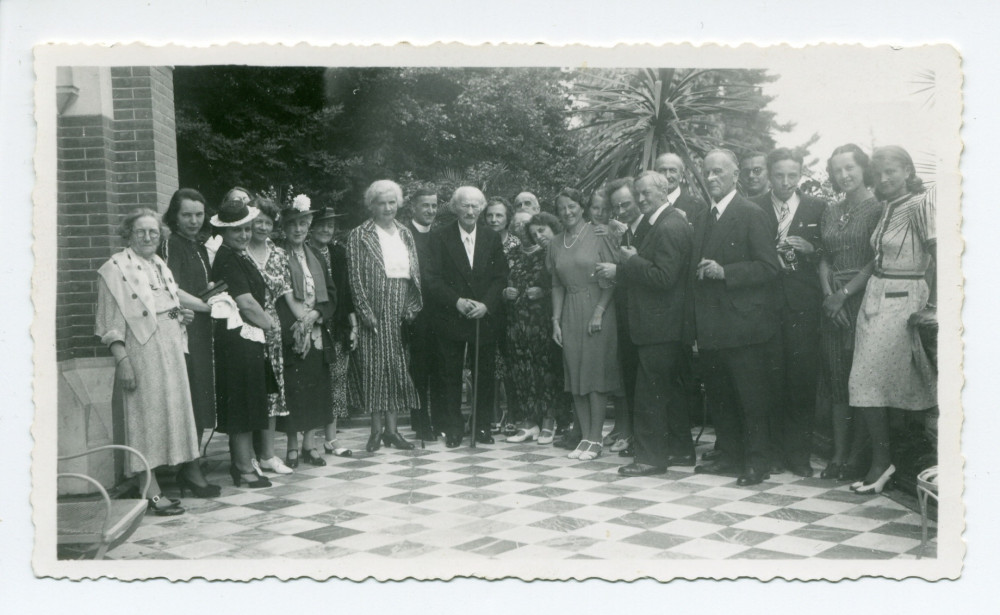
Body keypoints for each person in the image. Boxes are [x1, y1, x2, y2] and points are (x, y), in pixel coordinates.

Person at [96, 209, 201, 515]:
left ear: (161, 236)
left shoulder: (158, 265)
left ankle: (155, 483)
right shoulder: (114, 270)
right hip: (142, 353)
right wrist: (123, 361)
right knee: (144, 419)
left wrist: (181, 314)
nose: (147, 237)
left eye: (153, 232)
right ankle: (150, 492)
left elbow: (163, 304)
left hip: (169, 351)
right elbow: (109, 323)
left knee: (165, 416)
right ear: (128, 234)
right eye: (140, 232)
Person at [847, 145, 937, 494]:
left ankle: (892, 462)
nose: (884, 178)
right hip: (875, 298)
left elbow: (938, 253)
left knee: (894, 382)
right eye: (879, 173)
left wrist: (935, 306)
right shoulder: (886, 207)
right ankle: (884, 461)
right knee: (869, 382)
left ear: (907, 170)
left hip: (905, 299)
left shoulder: (921, 204)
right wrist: (850, 292)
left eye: (892, 171)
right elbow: (877, 258)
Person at [690, 149, 781, 486]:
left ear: (734, 176)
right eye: (707, 172)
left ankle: (758, 462)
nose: (711, 178)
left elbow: (769, 268)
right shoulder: (702, 216)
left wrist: (724, 271)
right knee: (721, 396)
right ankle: (729, 456)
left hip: (744, 327)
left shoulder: (750, 213)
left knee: (750, 397)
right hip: (712, 326)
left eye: (718, 172)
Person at [596, 173, 695, 476]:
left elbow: (665, 278)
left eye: (645, 194)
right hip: (662, 324)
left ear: (664, 191)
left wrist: (630, 261)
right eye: (637, 194)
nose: (640, 200)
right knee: (670, 391)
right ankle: (680, 452)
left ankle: (651, 459)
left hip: (659, 325)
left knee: (650, 393)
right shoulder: (663, 223)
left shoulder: (669, 225)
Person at [751, 148, 828, 477]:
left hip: (802, 307)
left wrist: (812, 249)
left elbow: (831, 250)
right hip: (764, 305)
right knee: (767, 380)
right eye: (779, 175)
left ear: (801, 176)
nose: (785, 182)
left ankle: (798, 455)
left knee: (800, 379)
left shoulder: (817, 207)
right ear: (768, 173)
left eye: (792, 176)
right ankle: (770, 454)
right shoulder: (753, 206)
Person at [424, 186, 509, 448]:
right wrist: (457, 301)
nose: (470, 211)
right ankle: (453, 428)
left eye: (475, 206)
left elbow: (500, 277)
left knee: (483, 373)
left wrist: (487, 304)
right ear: (455, 208)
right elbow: (431, 278)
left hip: (483, 316)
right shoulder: (439, 237)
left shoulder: (491, 238)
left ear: (481, 208)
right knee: (449, 374)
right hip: (451, 315)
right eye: (465, 206)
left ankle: (481, 426)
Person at [818, 144, 884, 481]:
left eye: (850, 168)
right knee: (836, 380)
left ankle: (858, 458)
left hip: (862, 300)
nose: (843, 175)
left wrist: (844, 294)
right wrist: (830, 297)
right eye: (837, 170)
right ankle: (838, 455)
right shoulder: (831, 210)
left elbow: (877, 260)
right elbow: (824, 257)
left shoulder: (878, 208)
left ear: (863, 169)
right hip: (833, 305)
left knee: (861, 381)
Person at [347, 180, 423, 452]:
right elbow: (354, 277)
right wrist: (366, 312)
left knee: (396, 367)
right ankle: (376, 430)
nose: (388, 207)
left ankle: (393, 431)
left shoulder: (405, 233)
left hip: (400, 309)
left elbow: (414, 273)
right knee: (374, 369)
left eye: (392, 202)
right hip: (374, 310)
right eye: (381, 203)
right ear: (372, 205)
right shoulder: (360, 234)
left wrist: (412, 308)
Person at [548, 187, 622, 461]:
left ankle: (596, 437)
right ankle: (585, 437)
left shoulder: (599, 234)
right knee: (575, 374)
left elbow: (613, 278)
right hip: (570, 309)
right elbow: (556, 284)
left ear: (582, 207)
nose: (567, 212)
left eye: (572, 207)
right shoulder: (555, 243)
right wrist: (556, 320)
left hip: (598, 307)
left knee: (595, 375)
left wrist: (599, 311)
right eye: (562, 208)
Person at [210, 194, 276, 489]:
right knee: (241, 402)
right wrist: (271, 327)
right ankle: (241, 467)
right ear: (224, 231)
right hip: (236, 338)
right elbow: (246, 303)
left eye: (246, 228)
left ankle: (245, 463)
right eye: (236, 230)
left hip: (246, 338)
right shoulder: (227, 257)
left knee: (249, 401)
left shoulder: (238, 255)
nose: (244, 235)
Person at [159, 189, 222, 498]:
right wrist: (208, 305)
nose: (194, 220)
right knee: (192, 398)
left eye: (198, 214)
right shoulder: (171, 245)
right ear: (175, 216)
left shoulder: (195, 245)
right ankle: (190, 469)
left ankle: (192, 461)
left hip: (201, 330)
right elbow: (173, 291)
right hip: (186, 331)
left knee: (200, 397)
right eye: (187, 215)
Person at [275, 196, 337, 467]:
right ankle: (291, 447)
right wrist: (298, 322)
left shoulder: (317, 258)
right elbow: (277, 296)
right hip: (291, 331)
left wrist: (316, 314)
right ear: (284, 229)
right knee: (293, 389)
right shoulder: (277, 255)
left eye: (303, 224)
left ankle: (309, 445)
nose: (298, 230)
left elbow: (332, 294)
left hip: (316, 330)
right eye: (293, 225)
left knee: (315, 388)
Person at [243, 196, 294, 475]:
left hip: (271, 327)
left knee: (273, 389)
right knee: (250, 389)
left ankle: (268, 454)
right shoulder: (239, 250)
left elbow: (285, 294)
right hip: (243, 325)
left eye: (267, 222)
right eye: (257, 221)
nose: (262, 227)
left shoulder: (278, 254)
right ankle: (247, 456)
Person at [502, 210, 560, 444]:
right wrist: (504, 292)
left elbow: (560, 284)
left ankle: (549, 421)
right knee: (521, 370)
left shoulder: (549, 253)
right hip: (517, 322)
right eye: (517, 226)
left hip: (542, 321)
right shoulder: (512, 254)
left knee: (544, 371)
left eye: (532, 228)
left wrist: (543, 292)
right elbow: (499, 280)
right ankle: (529, 422)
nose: (526, 232)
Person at [306, 206, 355, 457]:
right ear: (311, 226)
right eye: (322, 224)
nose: (326, 229)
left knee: (336, 381)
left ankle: (331, 439)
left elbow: (345, 292)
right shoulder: (304, 252)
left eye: (331, 225)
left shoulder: (338, 252)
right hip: (314, 324)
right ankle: (309, 442)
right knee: (314, 382)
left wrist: (352, 325)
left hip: (337, 326)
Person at [403, 186, 439, 441]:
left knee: (439, 368)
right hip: (415, 313)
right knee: (419, 368)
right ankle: (420, 421)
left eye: (434, 206)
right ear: (413, 207)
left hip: (439, 311)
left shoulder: (438, 236)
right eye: (425, 205)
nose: (430, 210)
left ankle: (438, 419)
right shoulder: (404, 235)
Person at [485, 196, 522, 434]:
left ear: (507, 218)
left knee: (512, 363)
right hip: (489, 310)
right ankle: (493, 413)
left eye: (499, 215)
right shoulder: (481, 242)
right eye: (490, 215)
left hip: (514, 310)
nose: (494, 219)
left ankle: (514, 414)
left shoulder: (517, 244)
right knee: (492, 363)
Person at [654, 152, 705, 219]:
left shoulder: (698, 206)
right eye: (662, 171)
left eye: (672, 171)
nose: (667, 176)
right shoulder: (648, 203)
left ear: (681, 176)